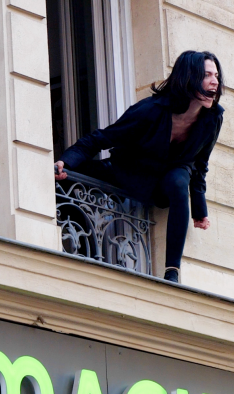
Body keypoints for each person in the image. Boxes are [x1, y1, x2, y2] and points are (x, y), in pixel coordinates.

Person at [54, 50, 224, 284]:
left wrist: (199, 210)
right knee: (71, 176)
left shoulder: (213, 117)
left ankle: (172, 271)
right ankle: (74, 246)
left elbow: (200, 164)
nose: (215, 81)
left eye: (216, 75)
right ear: (189, 77)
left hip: (170, 177)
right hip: (131, 171)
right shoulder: (150, 110)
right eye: (207, 75)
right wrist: (67, 161)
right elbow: (101, 138)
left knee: (178, 180)